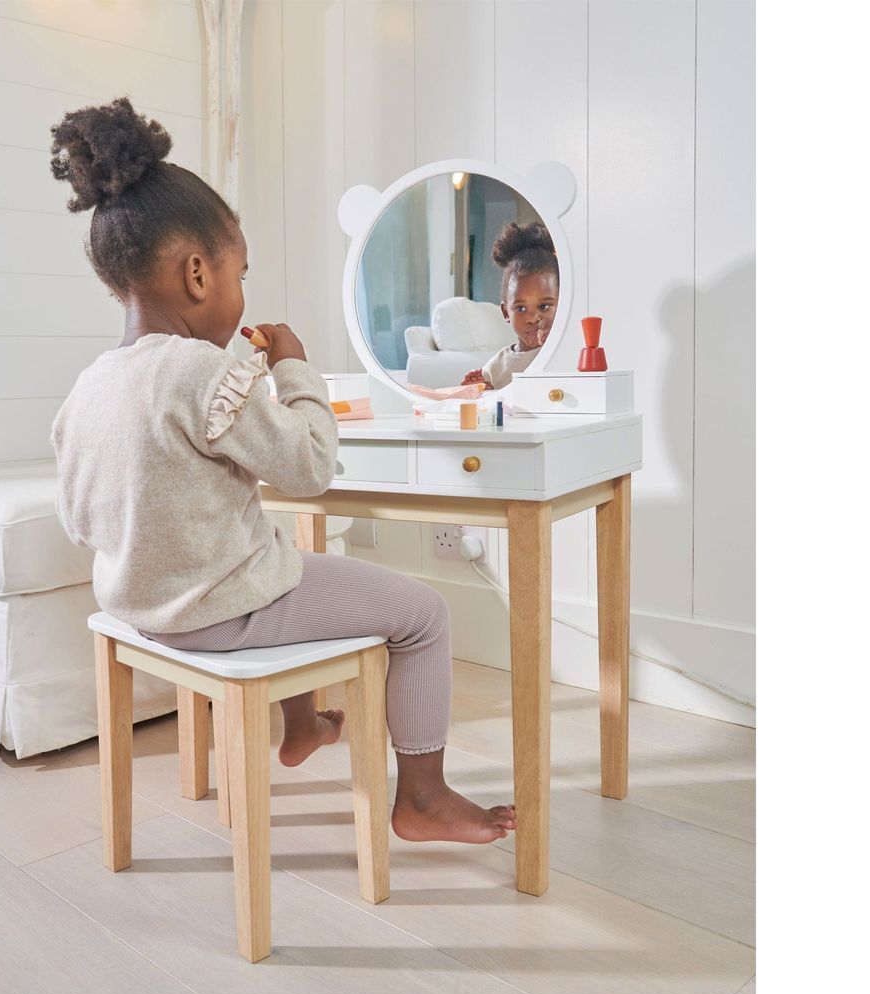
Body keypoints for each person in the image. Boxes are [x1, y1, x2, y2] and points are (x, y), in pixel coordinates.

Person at [48, 98, 515, 843]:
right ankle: (423, 797)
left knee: (283, 555)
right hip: (218, 615)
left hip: (141, 608)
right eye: (240, 272)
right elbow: (310, 466)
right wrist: (295, 367)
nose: (240, 293)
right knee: (422, 614)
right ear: (198, 273)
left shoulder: (90, 386)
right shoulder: (203, 372)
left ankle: (302, 726)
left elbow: (80, 518)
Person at [461, 222, 559, 390]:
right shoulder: (496, 367)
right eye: (521, 308)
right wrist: (483, 390)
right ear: (506, 312)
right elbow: (490, 408)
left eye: (543, 306)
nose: (533, 318)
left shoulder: (562, 351)